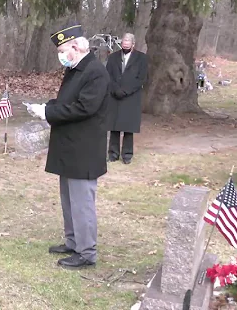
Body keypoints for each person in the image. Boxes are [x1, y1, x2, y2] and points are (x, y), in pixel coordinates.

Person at [26, 23, 110, 269]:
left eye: (63, 50)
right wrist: (46, 107)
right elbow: (67, 101)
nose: (60, 55)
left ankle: (86, 252)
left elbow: (85, 108)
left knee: (82, 202)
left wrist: (48, 113)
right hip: (69, 146)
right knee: (68, 199)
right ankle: (73, 242)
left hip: (84, 149)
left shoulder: (95, 72)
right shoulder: (75, 69)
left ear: (76, 46)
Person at [105, 33, 147, 164]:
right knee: (114, 126)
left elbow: (141, 78)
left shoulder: (141, 58)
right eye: (123, 44)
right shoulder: (113, 58)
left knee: (129, 128)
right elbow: (108, 76)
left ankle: (127, 155)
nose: (125, 47)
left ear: (133, 45)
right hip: (115, 95)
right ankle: (113, 154)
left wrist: (126, 90)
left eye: (128, 45)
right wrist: (116, 89)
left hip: (131, 97)